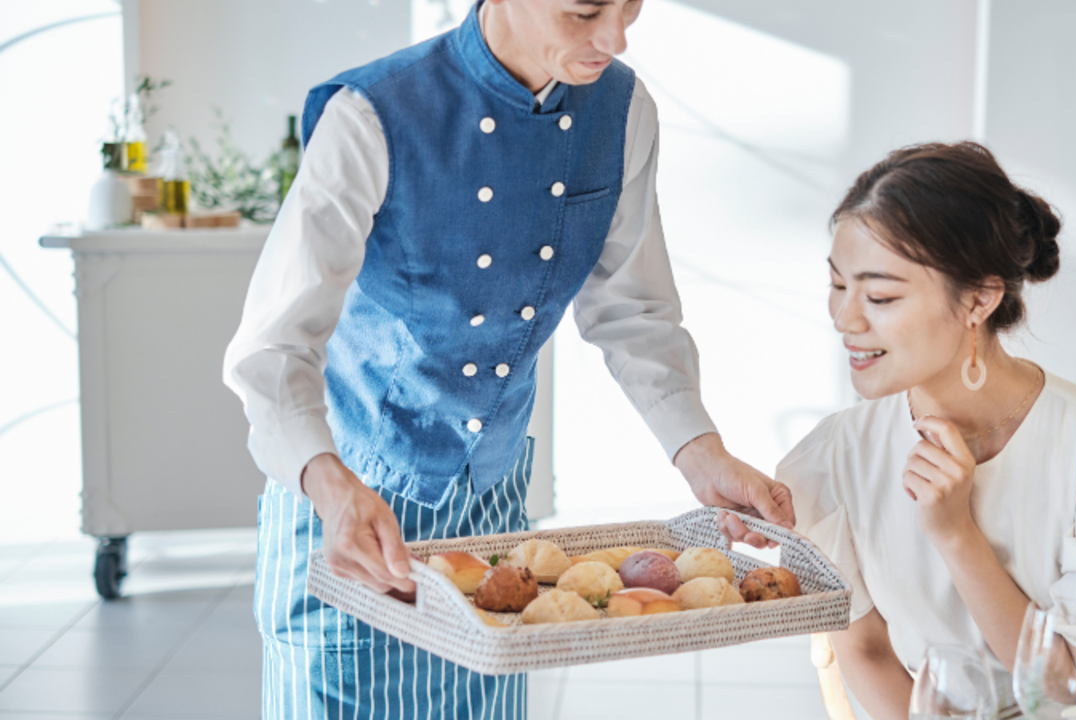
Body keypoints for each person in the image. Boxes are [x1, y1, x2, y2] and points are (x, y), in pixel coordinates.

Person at [223, 0, 794, 717]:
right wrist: (329, 483)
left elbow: (631, 309)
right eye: (584, 11)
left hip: (492, 509)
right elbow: (273, 345)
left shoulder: (621, 111)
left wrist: (700, 451)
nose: (616, 38)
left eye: (631, 4)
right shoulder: (371, 114)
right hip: (348, 501)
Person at [777, 142, 1076, 719]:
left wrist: (956, 534)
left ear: (979, 299)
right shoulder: (831, 461)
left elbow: (1075, 694)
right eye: (837, 285)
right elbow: (868, 653)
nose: (845, 319)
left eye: (879, 296)